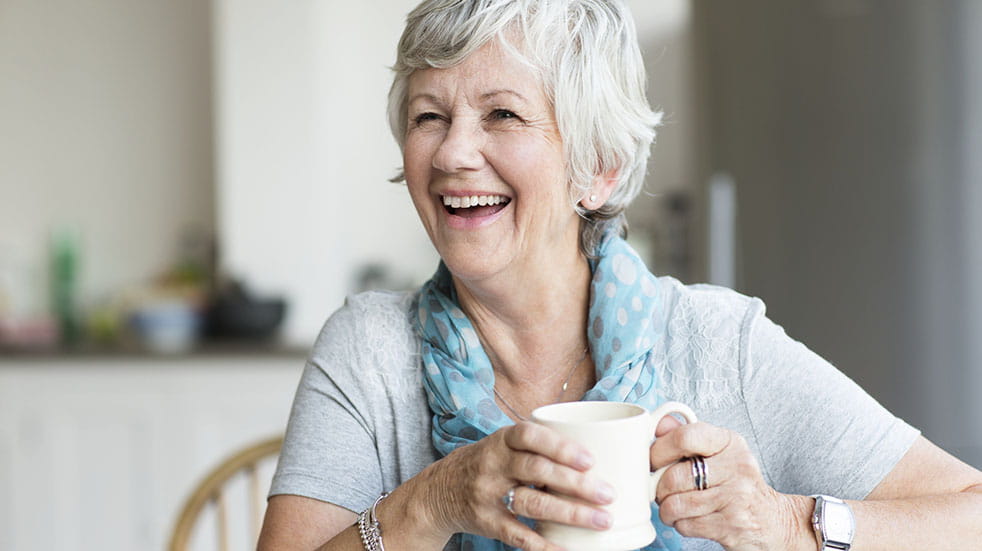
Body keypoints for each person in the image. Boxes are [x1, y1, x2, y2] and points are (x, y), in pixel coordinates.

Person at [258, 1, 982, 550]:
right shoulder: (370, 349)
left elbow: (969, 510)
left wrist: (787, 520)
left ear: (597, 169)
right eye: (429, 116)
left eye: (502, 113)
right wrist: (430, 502)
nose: (453, 153)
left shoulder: (713, 341)